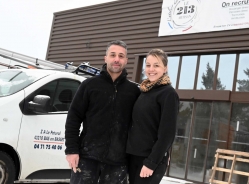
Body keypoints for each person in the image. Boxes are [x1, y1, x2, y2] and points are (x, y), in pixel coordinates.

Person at [65, 40, 140, 184]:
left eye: (121, 56)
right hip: (87, 157)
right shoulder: (89, 85)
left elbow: (140, 126)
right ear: (105, 58)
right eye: (113, 55)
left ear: (126, 60)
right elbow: (73, 118)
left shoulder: (133, 92)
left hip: (118, 162)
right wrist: (71, 150)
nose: (116, 59)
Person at [126, 49, 179, 184]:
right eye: (148, 65)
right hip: (134, 157)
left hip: (149, 159)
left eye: (156, 65)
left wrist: (151, 162)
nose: (151, 69)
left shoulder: (168, 94)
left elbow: (167, 134)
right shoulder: (144, 91)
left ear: (165, 68)